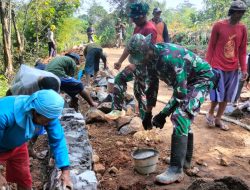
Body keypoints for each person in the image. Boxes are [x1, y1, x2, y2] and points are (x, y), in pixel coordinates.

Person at [126, 33, 214, 184]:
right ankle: (184, 162)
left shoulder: (169, 57)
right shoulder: (150, 60)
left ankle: (176, 169)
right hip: (187, 83)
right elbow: (152, 86)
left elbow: (180, 93)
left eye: (141, 57)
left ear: (148, 49)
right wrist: (148, 113)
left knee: (181, 115)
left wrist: (162, 114)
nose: (141, 62)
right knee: (183, 117)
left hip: (201, 79)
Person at [0, 90, 72, 190]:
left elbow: (58, 140)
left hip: (18, 146)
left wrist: (65, 170)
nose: (48, 123)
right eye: (47, 120)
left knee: (24, 179)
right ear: (35, 112)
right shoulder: (4, 114)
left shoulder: (48, 114)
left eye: (51, 120)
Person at [106, 2, 157, 120]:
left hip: (146, 65)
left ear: (142, 16)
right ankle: (117, 110)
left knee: (140, 91)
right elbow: (130, 46)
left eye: (135, 18)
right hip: (137, 62)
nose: (133, 21)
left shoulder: (150, 29)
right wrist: (119, 61)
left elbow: (149, 53)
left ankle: (144, 121)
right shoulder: (138, 26)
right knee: (121, 80)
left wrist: (135, 65)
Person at [205, 0, 248, 131]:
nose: (239, 15)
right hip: (217, 65)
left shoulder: (242, 28)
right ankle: (211, 113)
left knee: (227, 96)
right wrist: (207, 66)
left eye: (242, 12)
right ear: (232, 11)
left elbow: (242, 50)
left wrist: (244, 69)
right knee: (218, 94)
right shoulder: (218, 25)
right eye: (237, 12)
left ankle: (218, 118)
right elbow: (211, 46)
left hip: (233, 68)